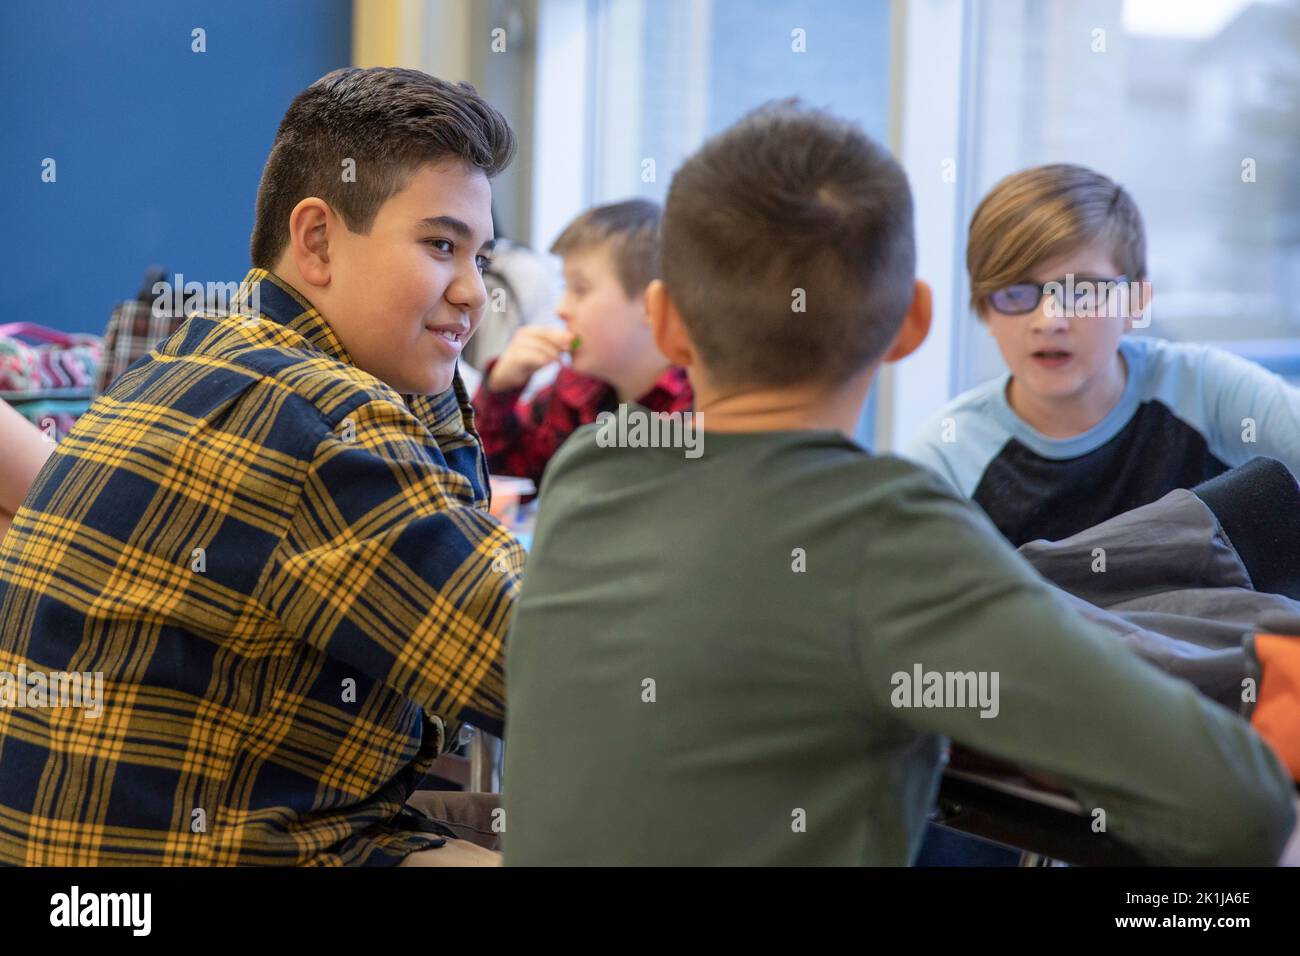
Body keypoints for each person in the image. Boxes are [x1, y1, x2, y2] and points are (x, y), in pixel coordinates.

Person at [501, 103, 1296, 866]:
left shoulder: (586, 473)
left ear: (667, 320)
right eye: (1023, 293)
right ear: (914, 324)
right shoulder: (892, 526)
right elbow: (1238, 809)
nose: (1052, 318)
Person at [0, 67, 523, 866]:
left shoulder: (202, 357)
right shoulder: (322, 425)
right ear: (316, 240)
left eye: (481, 258)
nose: (474, 295)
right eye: (441, 245)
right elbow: (535, 667)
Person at [905, 164, 1300, 547]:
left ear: (1135, 303)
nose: (1049, 320)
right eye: (1015, 293)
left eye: (1082, 292)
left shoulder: (1205, 390)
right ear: (985, 311)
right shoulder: (948, 458)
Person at [471, 200, 692, 491]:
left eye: (580, 290)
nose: (562, 309)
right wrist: (500, 389)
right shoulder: (573, 391)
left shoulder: (698, 403)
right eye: (566, 289)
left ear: (651, 305)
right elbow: (500, 477)